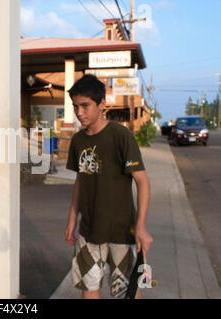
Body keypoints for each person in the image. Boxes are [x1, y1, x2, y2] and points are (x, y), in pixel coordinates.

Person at [64, 74, 153, 299]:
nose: (79, 112)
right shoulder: (77, 141)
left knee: (126, 292)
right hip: (89, 230)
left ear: (102, 103)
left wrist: (141, 227)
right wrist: (72, 220)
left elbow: (142, 181)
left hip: (121, 231)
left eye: (85, 106)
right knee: (89, 289)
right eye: (76, 106)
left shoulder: (120, 136)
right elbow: (80, 181)